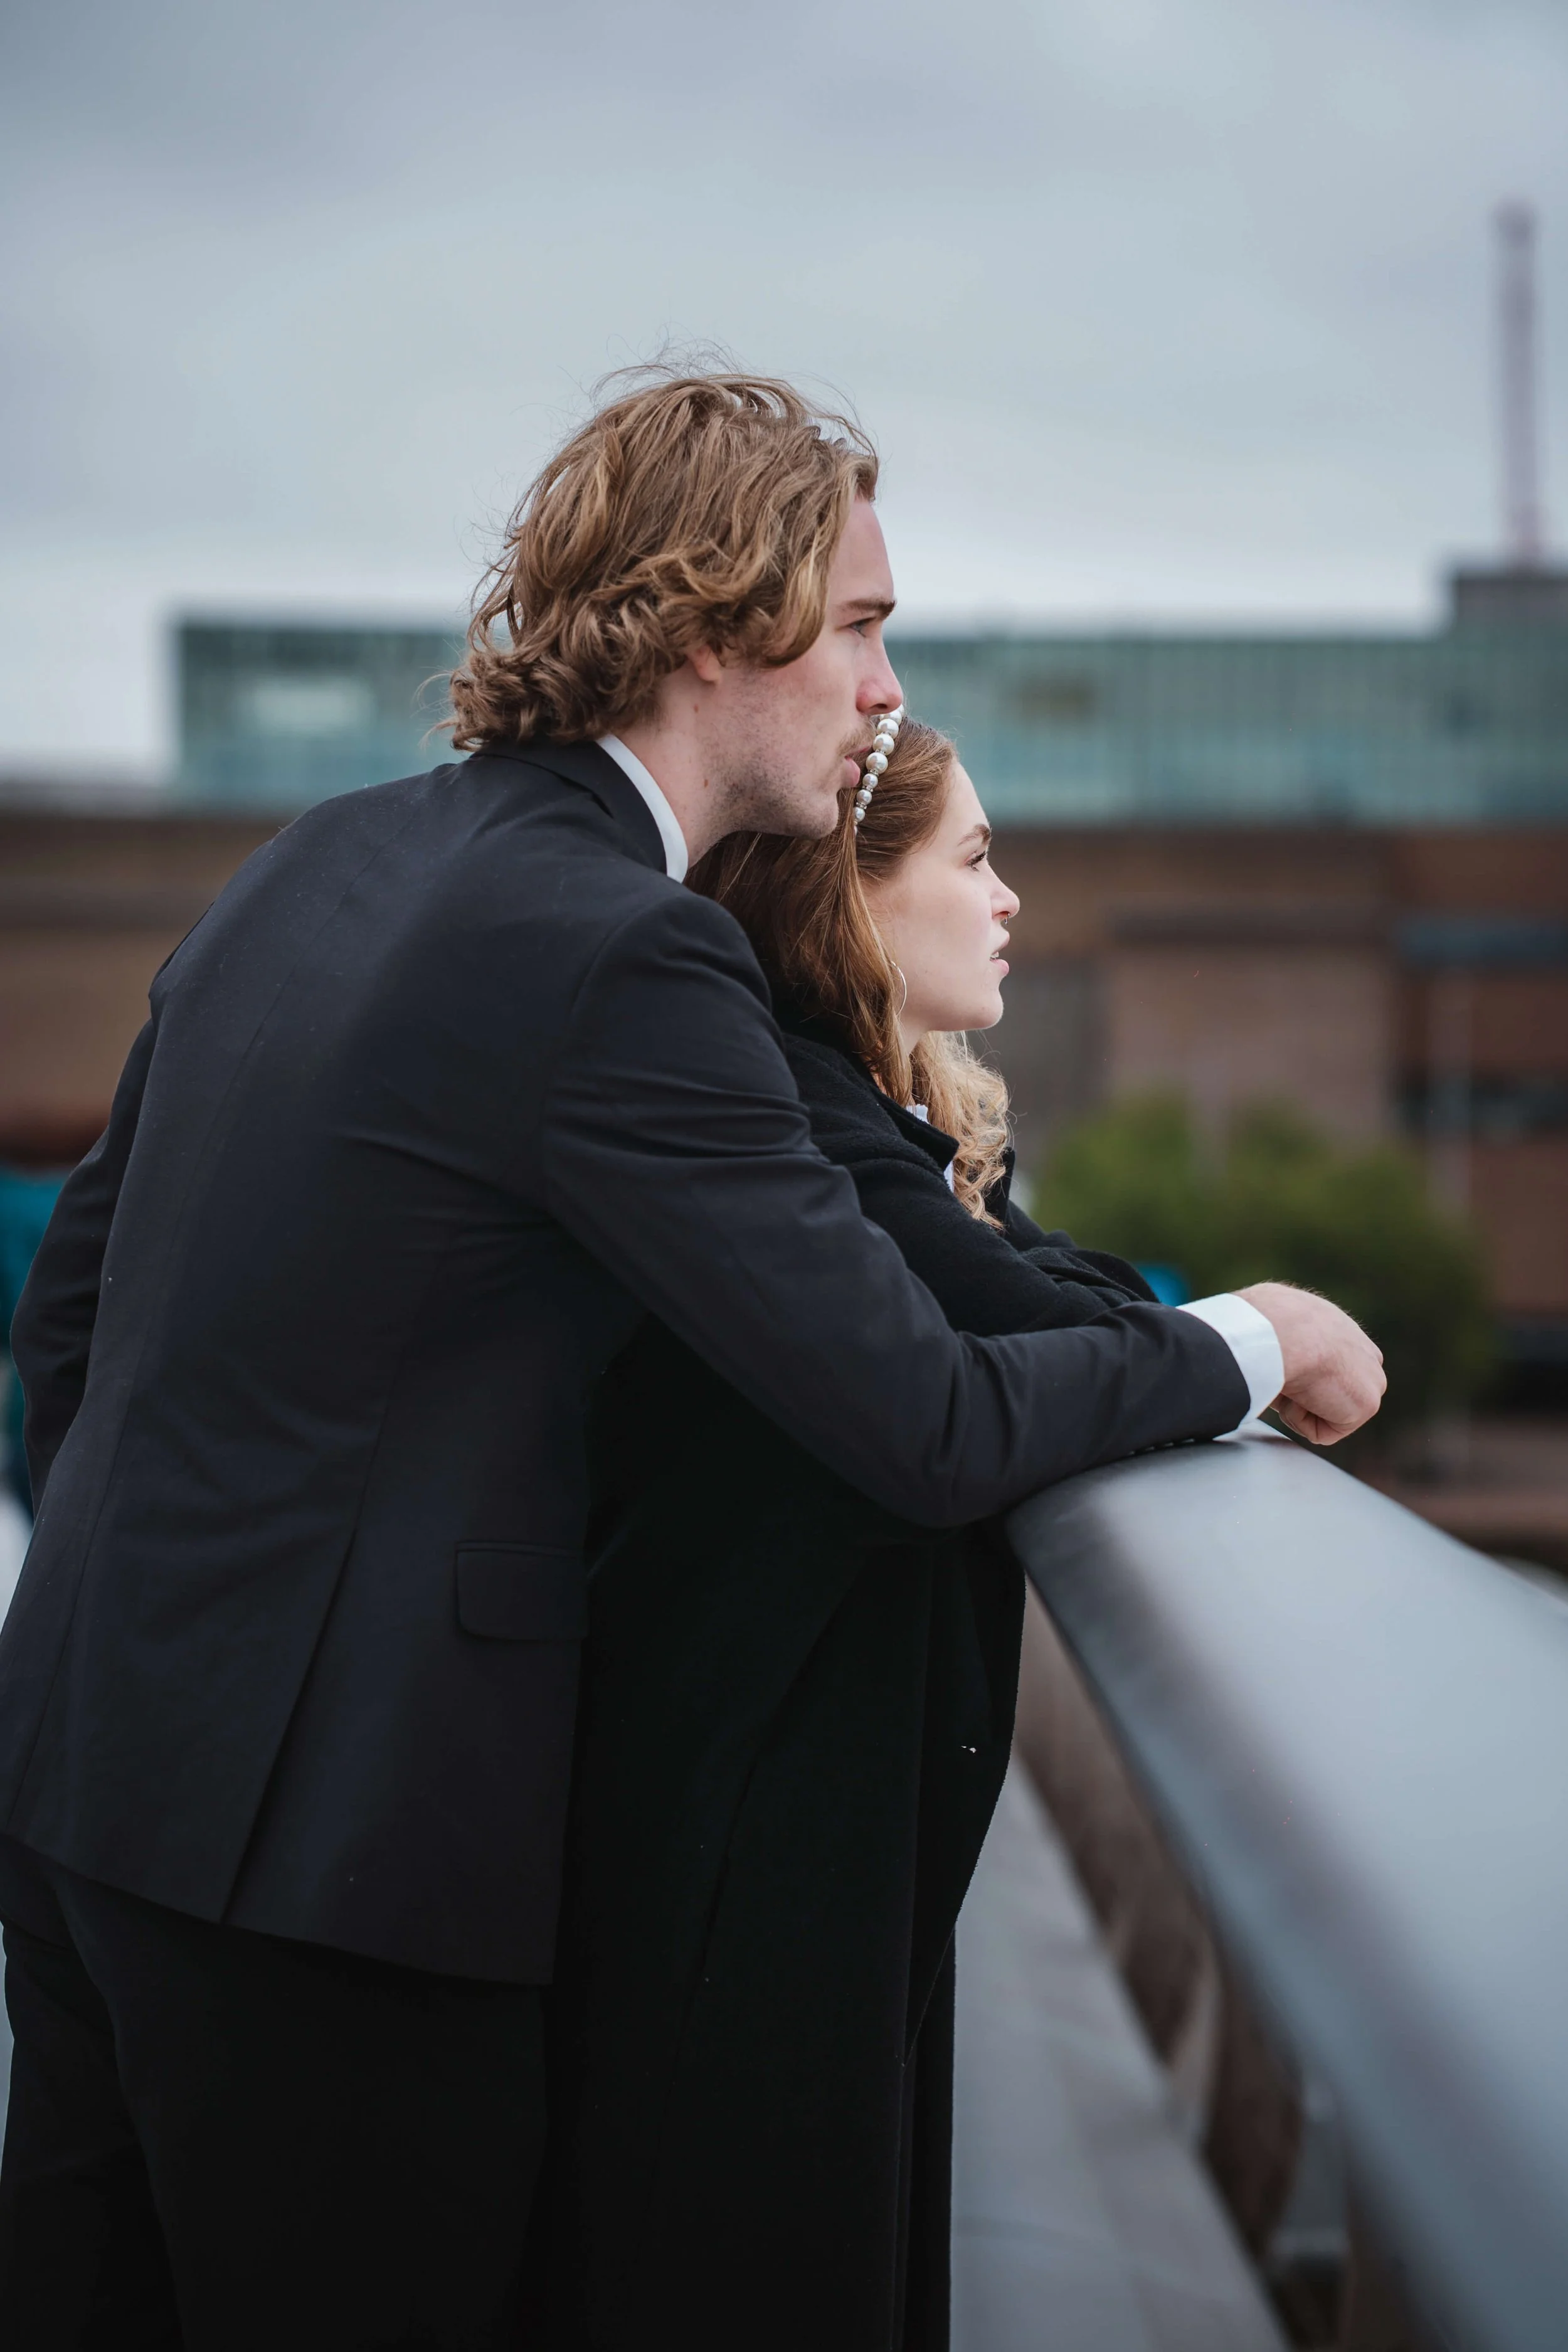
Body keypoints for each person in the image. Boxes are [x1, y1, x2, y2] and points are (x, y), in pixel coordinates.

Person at [0, 371, 1383, 2351]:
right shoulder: (620, 951)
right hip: (341, 1881)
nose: (885, 689)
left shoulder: (322, 853)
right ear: (718, 621)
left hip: (77, 1783)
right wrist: (1240, 1342)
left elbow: (77, 1314)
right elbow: (915, 1414)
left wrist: (179, 1626)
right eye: (860, 628)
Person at [542, 718, 1221, 2348]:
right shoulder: (792, 1106)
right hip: (736, 1874)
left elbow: (1058, 1286)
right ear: (847, 891)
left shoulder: (869, 1114)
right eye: (974, 858)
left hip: (798, 1848)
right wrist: (1256, 1335)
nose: (1008, 902)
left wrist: (1186, 1319)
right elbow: (1008, 1325)